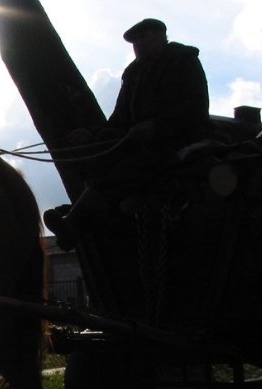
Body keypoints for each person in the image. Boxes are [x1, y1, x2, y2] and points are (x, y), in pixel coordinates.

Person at [44, 18, 210, 250]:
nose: (139, 44)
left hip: (177, 139)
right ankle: (87, 213)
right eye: (135, 42)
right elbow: (119, 120)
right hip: (138, 139)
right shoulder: (134, 74)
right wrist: (90, 134)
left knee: (133, 165)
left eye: (145, 38)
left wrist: (156, 126)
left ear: (162, 37)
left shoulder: (185, 61)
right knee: (101, 147)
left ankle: (75, 220)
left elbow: (195, 107)